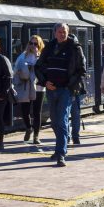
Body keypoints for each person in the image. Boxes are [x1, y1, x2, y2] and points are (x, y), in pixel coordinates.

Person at [35, 23, 86, 167]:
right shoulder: (49, 47)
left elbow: (81, 70)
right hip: (51, 89)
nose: (62, 34)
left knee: (62, 119)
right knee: (54, 121)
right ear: (54, 33)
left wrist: (70, 85)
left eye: (64, 31)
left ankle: (61, 153)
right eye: (59, 31)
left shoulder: (75, 48)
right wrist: (45, 82)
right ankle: (60, 147)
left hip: (66, 90)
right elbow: (38, 67)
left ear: (68, 32)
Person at [14, 35, 45, 144]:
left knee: (37, 112)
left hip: (38, 87)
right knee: (25, 110)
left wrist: (37, 57)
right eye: (31, 43)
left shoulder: (42, 56)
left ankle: (36, 136)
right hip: (25, 86)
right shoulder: (23, 56)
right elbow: (16, 69)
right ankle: (28, 127)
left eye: (35, 44)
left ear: (39, 45)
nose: (32, 45)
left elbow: (44, 69)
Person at [69, 32, 89, 145]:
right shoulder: (78, 51)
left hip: (75, 87)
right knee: (74, 113)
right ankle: (74, 136)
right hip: (74, 86)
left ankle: (73, 136)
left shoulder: (77, 52)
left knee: (72, 113)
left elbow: (82, 70)